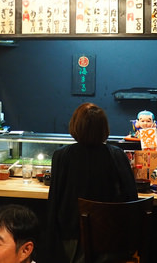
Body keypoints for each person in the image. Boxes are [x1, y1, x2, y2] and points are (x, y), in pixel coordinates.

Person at [46, 103, 137, 263]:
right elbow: (132, 198)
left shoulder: (61, 156)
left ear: (75, 126)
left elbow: (54, 201)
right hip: (113, 245)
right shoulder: (117, 155)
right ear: (104, 128)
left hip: (72, 243)